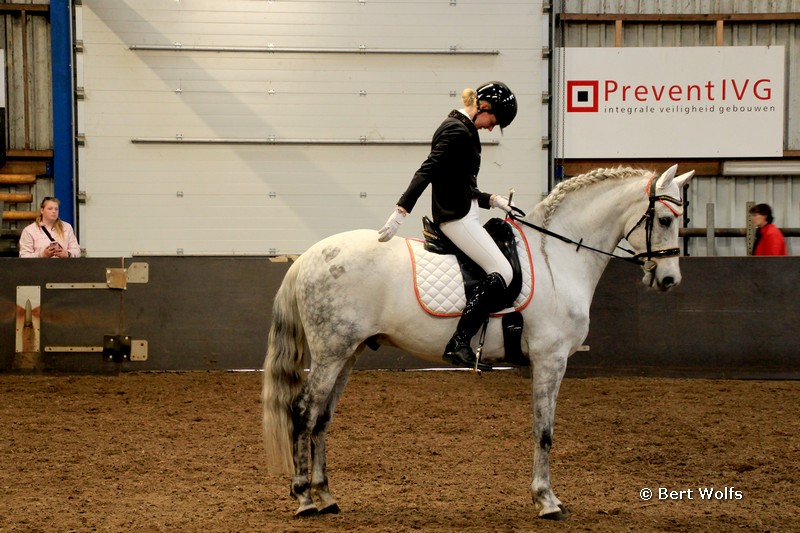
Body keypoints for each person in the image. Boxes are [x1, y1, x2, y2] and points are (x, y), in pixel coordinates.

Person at [377, 81, 518, 370]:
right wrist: (401, 211)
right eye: (494, 121)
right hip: (457, 219)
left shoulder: (465, 129)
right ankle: (459, 342)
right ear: (485, 106)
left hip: (465, 213)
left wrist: (492, 200)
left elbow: (460, 184)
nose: (492, 128)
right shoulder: (456, 130)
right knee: (503, 271)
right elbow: (428, 171)